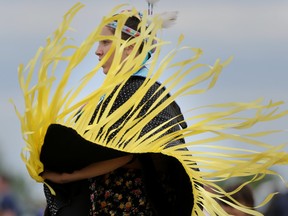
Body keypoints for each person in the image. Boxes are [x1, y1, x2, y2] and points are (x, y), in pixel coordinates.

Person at [40, 8, 194, 216]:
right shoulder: (107, 97)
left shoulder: (143, 93)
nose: (97, 51)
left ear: (129, 47)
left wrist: (69, 176)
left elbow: (129, 153)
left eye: (105, 42)